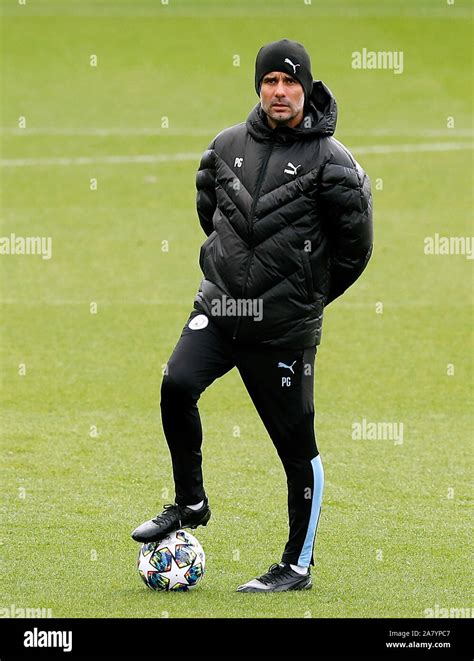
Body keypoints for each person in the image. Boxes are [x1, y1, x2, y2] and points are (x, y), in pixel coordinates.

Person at [132, 38, 373, 593]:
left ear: (308, 90)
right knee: (176, 384)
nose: (280, 92)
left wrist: (304, 298)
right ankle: (190, 502)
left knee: (296, 448)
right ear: (259, 87)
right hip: (219, 313)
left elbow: (355, 250)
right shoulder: (224, 147)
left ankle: (296, 566)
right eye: (270, 82)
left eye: (291, 83)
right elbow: (209, 215)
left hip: (283, 332)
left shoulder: (333, 163)